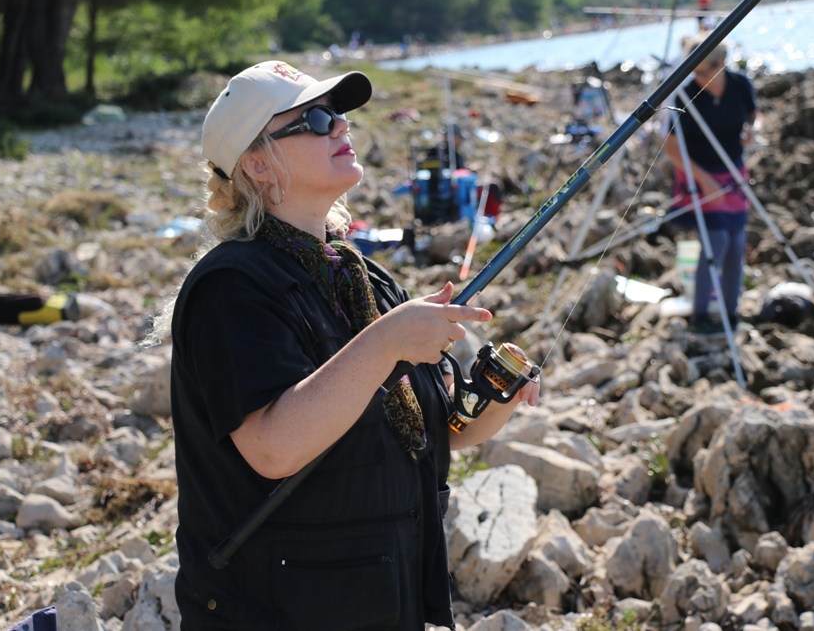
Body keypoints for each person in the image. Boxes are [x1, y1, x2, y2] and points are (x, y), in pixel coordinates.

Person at [155, 60, 539, 630]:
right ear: (257, 164)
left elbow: (442, 433)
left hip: (382, 600)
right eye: (314, 119)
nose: (340, 126)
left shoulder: (364, 279)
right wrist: (385, 342)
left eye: (337, 114)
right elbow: (274, 447)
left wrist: (499, 394)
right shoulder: (230, 287)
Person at [663, 35, 758, 334]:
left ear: (722, 64)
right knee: (716, 243)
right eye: (695, 71)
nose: (700, 77)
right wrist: (703, 180)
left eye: (705, 71)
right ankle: (700, 315)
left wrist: (752, 131)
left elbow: (754, 116)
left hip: (732, 173)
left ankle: (731, 312)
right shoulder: (686, 96)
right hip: (698, 176)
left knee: (737, 243)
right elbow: (670, 146)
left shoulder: (740, 85)